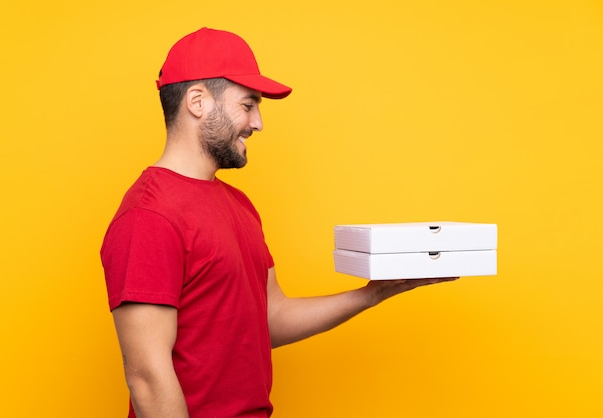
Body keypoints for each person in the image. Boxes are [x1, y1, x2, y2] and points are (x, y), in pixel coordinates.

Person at [100, 27, 456, 418]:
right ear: (198, 101)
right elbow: (148, 377)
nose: (258, 123)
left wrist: (375, 292)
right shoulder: (149, 216)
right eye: (248, 104)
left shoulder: (238, 205)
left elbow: (269, 319)